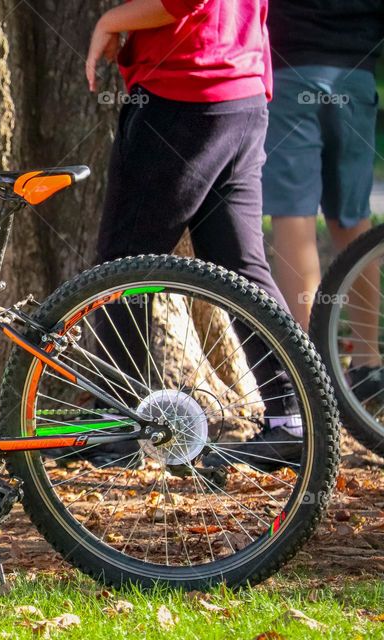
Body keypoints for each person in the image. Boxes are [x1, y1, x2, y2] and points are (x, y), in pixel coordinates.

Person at [83, 0, 300, 468]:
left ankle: (120, 427)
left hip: (183, 95)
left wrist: (109, 21)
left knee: (122, 266)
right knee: (240, 268)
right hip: (241, 93)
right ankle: (291, 418)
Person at [264, 0, 384, 401]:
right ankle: (368, 363)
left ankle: (310, 373)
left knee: (292, 217)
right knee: (353, 218)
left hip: (288, 67)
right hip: (356, 68)